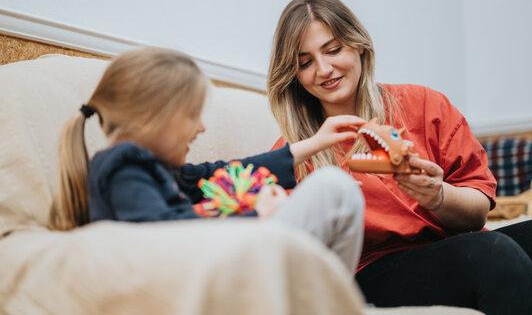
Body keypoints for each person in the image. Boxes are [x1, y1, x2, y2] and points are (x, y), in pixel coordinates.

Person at [267, 0, 532, 314]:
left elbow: (478, 211)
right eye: (306, 62)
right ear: (294, 75)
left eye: (333, 49)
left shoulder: (425, 105)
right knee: (493, 253)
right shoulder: (294, 155)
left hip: (455, 244)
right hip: (368, 273)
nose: (324, 69)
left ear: (359, 45)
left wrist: (437, 195)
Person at [47, 47, 366, 273]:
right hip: (198, 279)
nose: (200, 128)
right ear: (151, 119)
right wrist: (258, 215)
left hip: (215, 269)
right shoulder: (122, 165)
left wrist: (313, 143)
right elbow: (162, 236)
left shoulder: (151, 168)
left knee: (335, 190)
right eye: (191, 116)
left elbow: (224, 173)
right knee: (334, 189)